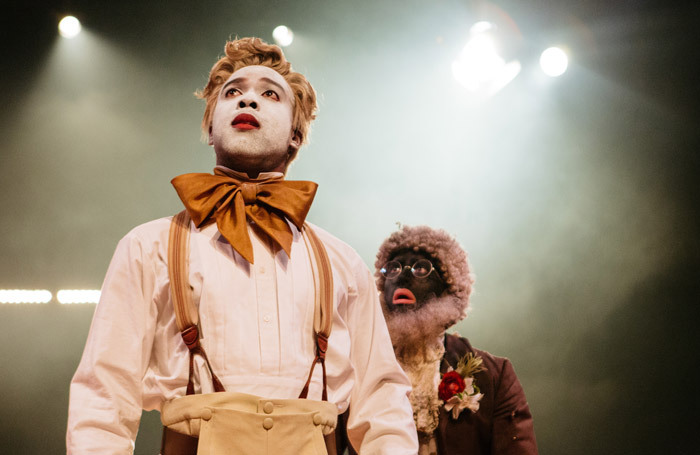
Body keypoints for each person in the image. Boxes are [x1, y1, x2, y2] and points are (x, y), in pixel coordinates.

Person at [66, 37, 417, 454]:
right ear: (210, 125)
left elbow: (383, 403)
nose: (248, 101)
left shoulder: (342, 262)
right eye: (233, 93)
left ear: (295, 135)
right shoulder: (148, 247)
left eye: (270, 94)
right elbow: (103, 395)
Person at [371, 225, 538, 455]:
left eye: (421, 268)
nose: (404, 276)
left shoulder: (494, 376)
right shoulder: (359, 366)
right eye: (393, 268)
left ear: (447, 288)